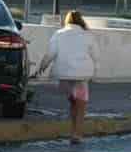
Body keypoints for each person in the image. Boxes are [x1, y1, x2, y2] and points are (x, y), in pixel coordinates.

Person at [38, 10, 95, 144]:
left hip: (64, 76)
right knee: (81, 106)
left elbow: (50, 54)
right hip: (81, 76)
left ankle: (73, 132)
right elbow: (95, 56)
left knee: (73, 103)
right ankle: (77, 134)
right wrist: (96, 71)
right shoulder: (88, 35)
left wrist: (42, 67)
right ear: (81, 20)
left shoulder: (59, 34)